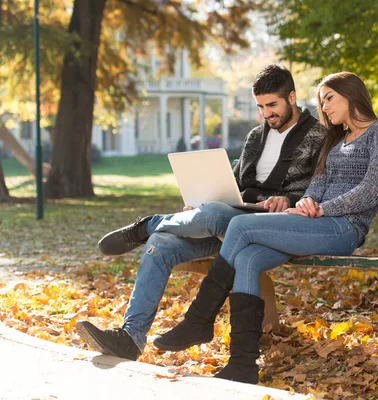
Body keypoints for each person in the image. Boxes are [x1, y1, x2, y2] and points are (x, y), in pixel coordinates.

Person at [153, 71, 378, 384]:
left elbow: (372, 189)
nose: (324, 108)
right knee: (247, 257)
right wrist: (309, 202)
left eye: (329, 99)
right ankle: (243, 364)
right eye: (321, 101)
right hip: (313, 221)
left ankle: (199, 319)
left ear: (351, 94)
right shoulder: (335, 141)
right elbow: (318, 184)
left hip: (344, 227)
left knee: (241, 227)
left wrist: (323, 208)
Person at [75, 64, 327, 361]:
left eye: (272, 105)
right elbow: (233, 182)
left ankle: (149, 224)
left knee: (207, 216)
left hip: (269, 226)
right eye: (260, 106)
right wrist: (202, 200)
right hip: (230, 217)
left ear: (293, 98)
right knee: (162, 244)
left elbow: (321, 188)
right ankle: (131, 337)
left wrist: (287, 199)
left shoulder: (318, 136)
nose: (266, 113)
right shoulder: (256, 137)